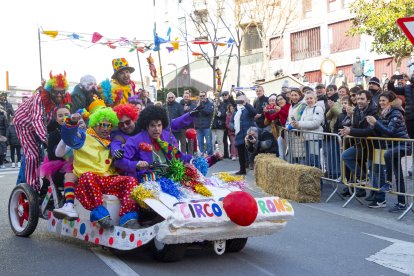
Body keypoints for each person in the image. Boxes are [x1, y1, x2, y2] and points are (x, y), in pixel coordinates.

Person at [61, 107, 139, 229]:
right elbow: (69, 138)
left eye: (109, 126)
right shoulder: (83, 137)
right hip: (90, 180)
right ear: (94, 124)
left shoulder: (110, 141)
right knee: (88, 176)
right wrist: (72, 122)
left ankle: (128, 218)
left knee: (131, 181)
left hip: (108, 179)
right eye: (102, 125)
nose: (106, 129)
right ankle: (100, 215)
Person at [13, 72, 72, 191]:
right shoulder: (39, 98)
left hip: (45, 124)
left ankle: (48, 186)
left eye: (62, 91)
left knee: (49, 154)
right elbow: (37, 120)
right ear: (50, 90)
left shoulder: (63, 99)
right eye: (56, 91)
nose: (59, 94)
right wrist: (48, 140)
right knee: (32, 155)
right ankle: (32, 188)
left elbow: (63, 116)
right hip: (25, 124)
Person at [120, 105, 193, 181]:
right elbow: (120, 161)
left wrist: (192, 159)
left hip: (171, 176)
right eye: (152, 125)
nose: (156, 129)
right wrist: (136, 164)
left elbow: (178, 156)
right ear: (146, 126)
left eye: (159, 125)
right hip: (149, 180)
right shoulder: (135, 140)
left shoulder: (168, 136)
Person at [366, 91, 411, 212]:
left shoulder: (395, 113)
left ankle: (389, 182)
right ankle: (401, 204)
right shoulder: (386, 113)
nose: (381, 103)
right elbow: (383, 128)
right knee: (399, 176)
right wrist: (373, 125)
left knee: (387, 154)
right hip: (394, 146)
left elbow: (389, 131)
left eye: (384, 101)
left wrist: (376, 123)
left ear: (390, 102)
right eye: (380, 101)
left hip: (404, 145)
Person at [339, 90, 379, 200]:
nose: (359, 101)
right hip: (360, 144)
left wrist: (351, 131)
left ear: (369, 100)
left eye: (362, 99)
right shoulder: (356, 110)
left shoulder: (374, 111)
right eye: (357, 99)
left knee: (374, 170)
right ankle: (362, 177)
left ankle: (377, 196)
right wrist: (348, 127)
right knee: (345, 155)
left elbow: (369, 131)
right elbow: (353, 126)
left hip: (373, 146)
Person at [388, 73, 414, 176]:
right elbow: (393, 89)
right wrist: (391, 81)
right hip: (410, 120)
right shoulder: (406, 88)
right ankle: (412, 166)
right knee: (412, 142)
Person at [290, 91, 324, 167]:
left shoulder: (318, 108)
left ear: (315, 99)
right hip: (307, 138)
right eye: (307, 99)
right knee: (309, 161)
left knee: (314, 161)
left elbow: (315, 123)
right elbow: (301, 122)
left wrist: (299, 123)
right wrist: (296, 125)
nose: (309, 100)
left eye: (311, 98)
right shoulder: (305, 109)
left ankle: (319, 178)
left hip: (315, 138)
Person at [230, 93, 256, 175]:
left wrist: (246, 104)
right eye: (238, 99)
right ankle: (242, 169)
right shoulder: (236, 110)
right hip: (239, 134)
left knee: (250, 152)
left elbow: (253, 113)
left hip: (248, 134)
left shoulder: (248, 108)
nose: (240, 101)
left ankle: (252, 167)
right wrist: (233, 127)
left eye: (241, 99)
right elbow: (231, 121)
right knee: (241, 154)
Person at [285, 88, 306, 163]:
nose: (294, 97)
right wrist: (287, 125)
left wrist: (290, 127)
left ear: (300, 95)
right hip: (293, 135)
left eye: (296, 95)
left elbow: (299, 119)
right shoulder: (292, 106)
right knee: (295, 155)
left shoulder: (302, 105)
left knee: (301, 156)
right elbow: (289, 118)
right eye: (292, 95)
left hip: (300, 133)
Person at [194, 91, 214, 155]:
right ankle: (202, 154)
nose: (202, 97)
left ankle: (209, 155)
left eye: (203, 96)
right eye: (201, 96)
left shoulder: (210, 104)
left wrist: (201, 108)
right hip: (198, 126)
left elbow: (208, 112)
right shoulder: (197, 104)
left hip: (207, 126)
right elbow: (194, 114)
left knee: (208, 142)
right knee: (200, 142)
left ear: (206, 96)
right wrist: (197, 107)